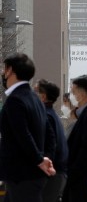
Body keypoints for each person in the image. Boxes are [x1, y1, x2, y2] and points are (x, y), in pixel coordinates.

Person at [0, 53, 55, 202]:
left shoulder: (15, 100)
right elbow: (50, 134)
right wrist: (46, 159)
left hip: (21, 175)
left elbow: (22, 135)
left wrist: (40, 160)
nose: (3, 73)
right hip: (32, 175)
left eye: (4, 69)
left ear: (10, 70)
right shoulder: (36, 99)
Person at [34, 79, 69, 202]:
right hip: (58, 173)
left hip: (52, 174)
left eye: (35, 92)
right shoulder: (52, 114)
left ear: (43, 96)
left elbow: (48, 146)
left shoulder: (45, 116)